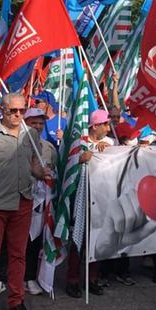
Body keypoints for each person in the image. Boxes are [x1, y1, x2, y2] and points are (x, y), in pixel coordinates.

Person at [0, 92, 53, 310]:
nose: (18, 115)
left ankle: (16, 301)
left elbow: (33, 167)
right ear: (2, 110)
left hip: (23, 203)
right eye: (13, 111)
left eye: (22, 110)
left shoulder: (31, 136)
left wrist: (42, 172)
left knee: (18, 255)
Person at [65, 109, 113, 297]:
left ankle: (92, 277)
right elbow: (67, 164)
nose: (109, 129)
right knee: (79, 239)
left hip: (101, 198)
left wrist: (107, 151)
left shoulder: (109, 143)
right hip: (82, 197)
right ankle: (73, 279)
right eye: (105, 124)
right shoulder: (80, 143)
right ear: (95, 126)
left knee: (97, 240)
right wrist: (80, 159)